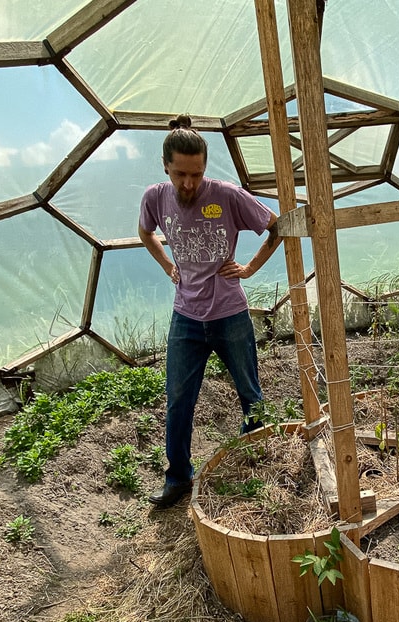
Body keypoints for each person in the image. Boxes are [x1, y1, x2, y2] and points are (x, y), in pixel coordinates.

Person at [138, 115, 282, 509]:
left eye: (197, 174)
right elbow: (146, 232)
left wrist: (249, 269)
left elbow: (275, 227)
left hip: (230, 313)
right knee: (178, 397)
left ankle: (255, 461)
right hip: (185, 316)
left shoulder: (227, 195)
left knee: (249, 391)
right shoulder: (155, 198)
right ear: (165, 167)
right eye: (181, 174)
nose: (189, 183)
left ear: (205, 168)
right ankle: (178, 477)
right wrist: (167, 265)